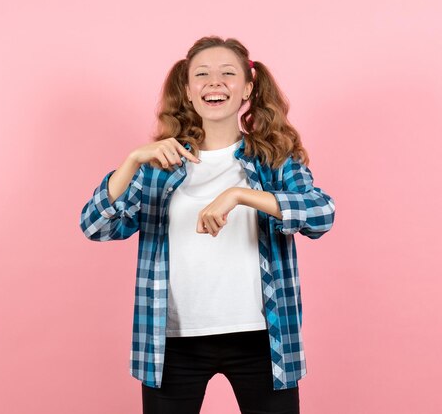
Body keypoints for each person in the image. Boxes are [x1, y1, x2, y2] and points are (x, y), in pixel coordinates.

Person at [79, 35, 335, 414]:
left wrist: (240, 195)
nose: (214, 82)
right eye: (202, 74)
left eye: (227, 73)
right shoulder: (158, 164)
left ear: (247, 87)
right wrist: (131, 161)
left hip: (263, 338)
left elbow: (320, 213)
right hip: (173, 341)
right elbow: (94, 225)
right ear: (187, 89)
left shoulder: (273, 159)